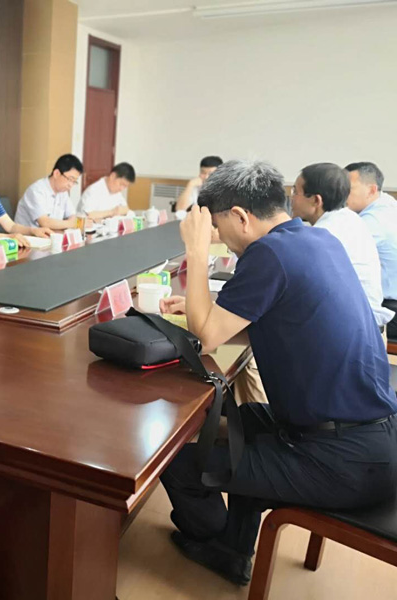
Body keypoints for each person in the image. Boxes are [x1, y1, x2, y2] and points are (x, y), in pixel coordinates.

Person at [158, 160, 397, 586]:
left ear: (240, 216)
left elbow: (207, 336)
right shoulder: (316, 239)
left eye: (218, 228)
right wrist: (206, 308)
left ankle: (216, 545)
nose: (221, 239)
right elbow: (263, 319)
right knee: (245, 421)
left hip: (344, 460)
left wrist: (196, 251)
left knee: (178, 463)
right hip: (372, 438)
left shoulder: (268, 254)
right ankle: (235, 547)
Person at [291, 162, 392, 329]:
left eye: (296, 192)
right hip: (363, 321)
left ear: (316, 200)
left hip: (355, 325)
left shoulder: (325, 234)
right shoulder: (348, 218)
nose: (292, 198)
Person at [345, 162, 397, 338]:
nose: (342, 194)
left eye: (349, 189)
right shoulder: (387, 203)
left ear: (372, 190)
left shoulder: (374, 221)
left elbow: (335, 254)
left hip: (391, 310)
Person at [14, 154, 83, 230]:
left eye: (74, 181)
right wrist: (72, 224)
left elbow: (72, 215)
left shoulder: (63, 192)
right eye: (70, 179)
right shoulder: (37, 190)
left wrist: (73, 222)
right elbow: (44, 222)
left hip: (51, 235)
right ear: (56, 173)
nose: (71, 185)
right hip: (27, 236)